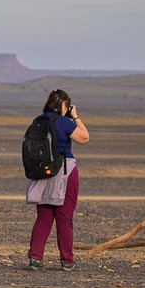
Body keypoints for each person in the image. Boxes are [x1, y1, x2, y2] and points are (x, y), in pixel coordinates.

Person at [26, 89, 90, 271]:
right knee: (64, 216)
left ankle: (35, 258)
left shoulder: (38, 121)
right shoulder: (64, 123)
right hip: (63, 172)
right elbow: (85, 137)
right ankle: (67, 260)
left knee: (44, 217)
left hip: (41, 173)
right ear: (63, 104)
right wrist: (75, 117)